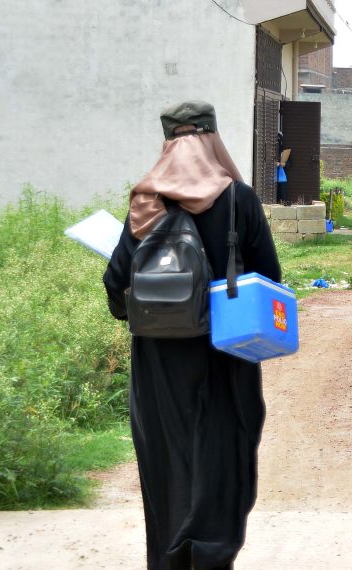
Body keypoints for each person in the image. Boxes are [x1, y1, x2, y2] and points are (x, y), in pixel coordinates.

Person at [103, 101, 280, 570]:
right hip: (226, 355)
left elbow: (116, 285)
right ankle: (213, 554)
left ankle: (170, 558)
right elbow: (270, 279)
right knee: (225, 454)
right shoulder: (239, 199)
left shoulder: (145, 204)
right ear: (214, 140)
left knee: (166, 462)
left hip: (159, 366)